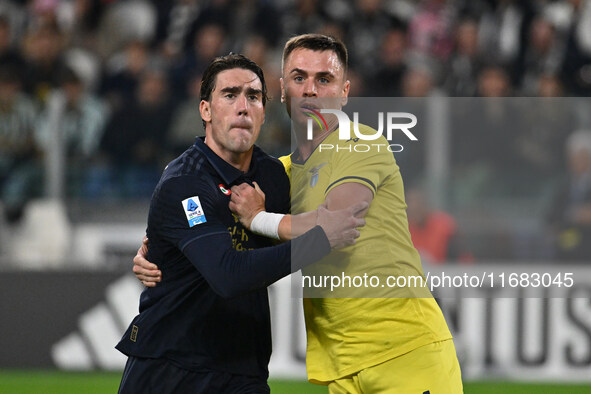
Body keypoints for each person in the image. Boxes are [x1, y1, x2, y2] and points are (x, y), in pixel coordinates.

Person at [135, 35, 463, 393]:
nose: (310, 90)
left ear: (345, 92)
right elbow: (210, 225)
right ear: (282, 90)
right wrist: (159, 249)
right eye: (299, 77)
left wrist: (260, 219)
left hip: (404, 349)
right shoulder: (282, 174)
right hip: (343, 363)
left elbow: (333, 223)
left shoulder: (362, 145)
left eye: (324, 79)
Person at [116, 53, 366, 394]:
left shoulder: (273, 176)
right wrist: (321, 240)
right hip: (169, 368)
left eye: (253, 97)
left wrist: (282, 224)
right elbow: (229, 274)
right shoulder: (184, 182)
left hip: (243, 369)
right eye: (230, 95)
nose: (243, 107)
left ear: (264, 111)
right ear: (205, 110)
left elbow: (321, 230)